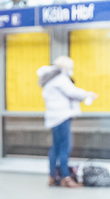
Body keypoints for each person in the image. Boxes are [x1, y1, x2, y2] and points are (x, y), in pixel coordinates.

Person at [38, 54, 95, 187]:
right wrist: (88, 94)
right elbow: (73, 92)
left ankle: (52, 177)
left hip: (54, 118)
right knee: (65, 147)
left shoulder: (50, 78)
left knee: (55, 148)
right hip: (62, 117)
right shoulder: (59, 77)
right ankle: (66, 178)